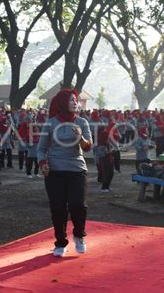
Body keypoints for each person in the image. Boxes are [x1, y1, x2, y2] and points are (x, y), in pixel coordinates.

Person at [37, 89, 92, 257]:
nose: (75, 103)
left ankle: (79, 236)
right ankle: (60, 243)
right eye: (71, 100)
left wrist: (81, 137)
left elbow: (88, 147)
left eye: (76, 100)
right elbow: (41, 149)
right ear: (62, 103)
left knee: (77, 205)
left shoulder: (82, 122)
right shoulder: (51, 123)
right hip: (55, 171)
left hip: (77, 169)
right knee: (58, 208)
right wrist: (43, 163)